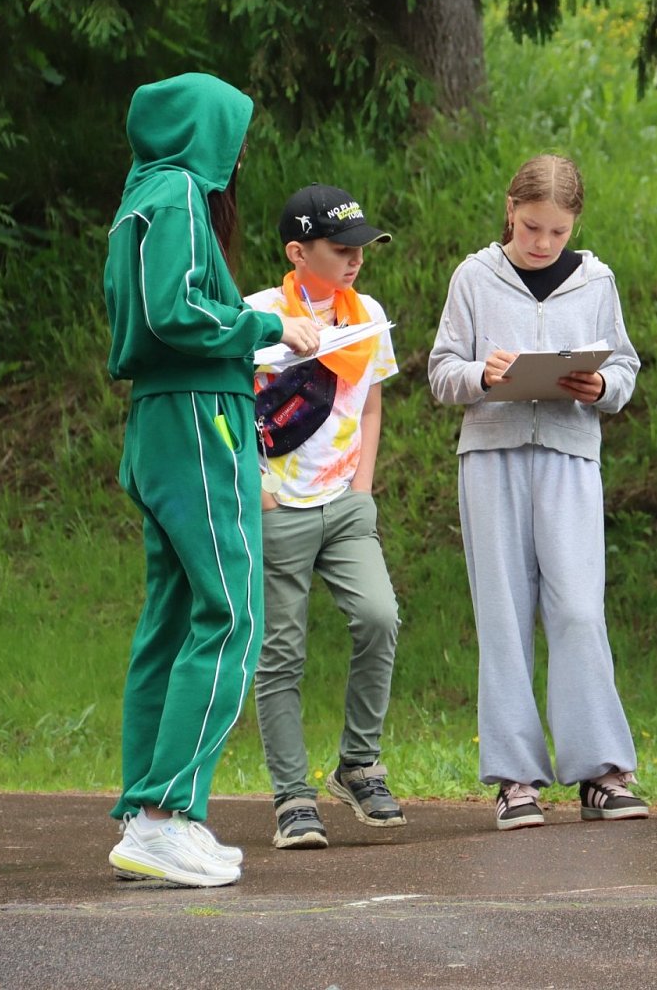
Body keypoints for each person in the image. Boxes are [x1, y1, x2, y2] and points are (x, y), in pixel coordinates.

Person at [103, 73, 320, 886]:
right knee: (231, 613)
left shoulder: (138, 198)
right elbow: (174, 311)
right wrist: (266, 324)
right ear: (208, 136)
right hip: (199, 417)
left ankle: (143, 814)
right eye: (232, 137)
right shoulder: (183, 196)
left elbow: (147, 313)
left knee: (170, 620)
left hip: (159, 421)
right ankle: (166, 814)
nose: (236, 156)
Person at [427, 153, 648, 831]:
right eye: (530, 229)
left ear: (573, 223)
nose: (542, 243)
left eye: (555, 231)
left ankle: (601, 770)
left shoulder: (596, 280)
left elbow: (626, 367)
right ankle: (515, 779)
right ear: (509, 211)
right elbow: (442, 373)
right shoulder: (474, 276)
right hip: (491, 457)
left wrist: (601, 387)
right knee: (502, 615)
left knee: (579, 610)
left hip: (569, 454)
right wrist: (483, 377)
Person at [246, 184, 405, 850]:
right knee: (281, 653)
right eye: (340, 250)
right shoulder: (256, 316)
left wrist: (363, 486)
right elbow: (223, 408)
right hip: (278, 506)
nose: (354, 260)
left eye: (360, 250)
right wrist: (255, 487)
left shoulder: (365, 312)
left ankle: (357, 764)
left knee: (379, 617)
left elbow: (368, 405)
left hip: (345, 504)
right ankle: (292, 796)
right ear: (297, 251)